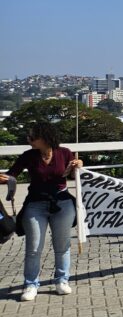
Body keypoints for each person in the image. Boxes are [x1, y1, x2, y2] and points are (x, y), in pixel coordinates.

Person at [1, 123, 84, 301]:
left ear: (44, 137)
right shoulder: (28, 156)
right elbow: (11, 175)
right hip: (35, 204)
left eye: (32, 137)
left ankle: (62, 280)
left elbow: (71, 176)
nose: (29, 140)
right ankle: (31, 284)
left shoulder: (64, 153)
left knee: (62, 246)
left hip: (62, 203)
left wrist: (78, 165)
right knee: (34, 247)